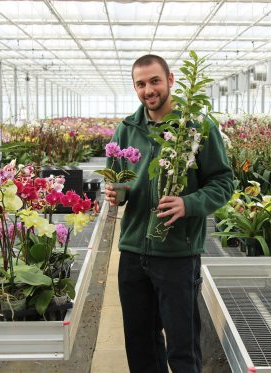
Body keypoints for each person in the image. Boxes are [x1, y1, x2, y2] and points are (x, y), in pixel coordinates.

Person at [104, 54, 234, 373]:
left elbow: (223, 181)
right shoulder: (126, 129)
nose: (148, 90)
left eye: (154, 81)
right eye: (140, 84)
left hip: (177, 254)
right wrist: (115, 193)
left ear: (171, 80)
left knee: (183, 346)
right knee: (140, 344)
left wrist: (188, 204)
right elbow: (117, 175)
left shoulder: (198, 127)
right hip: (134, 251)